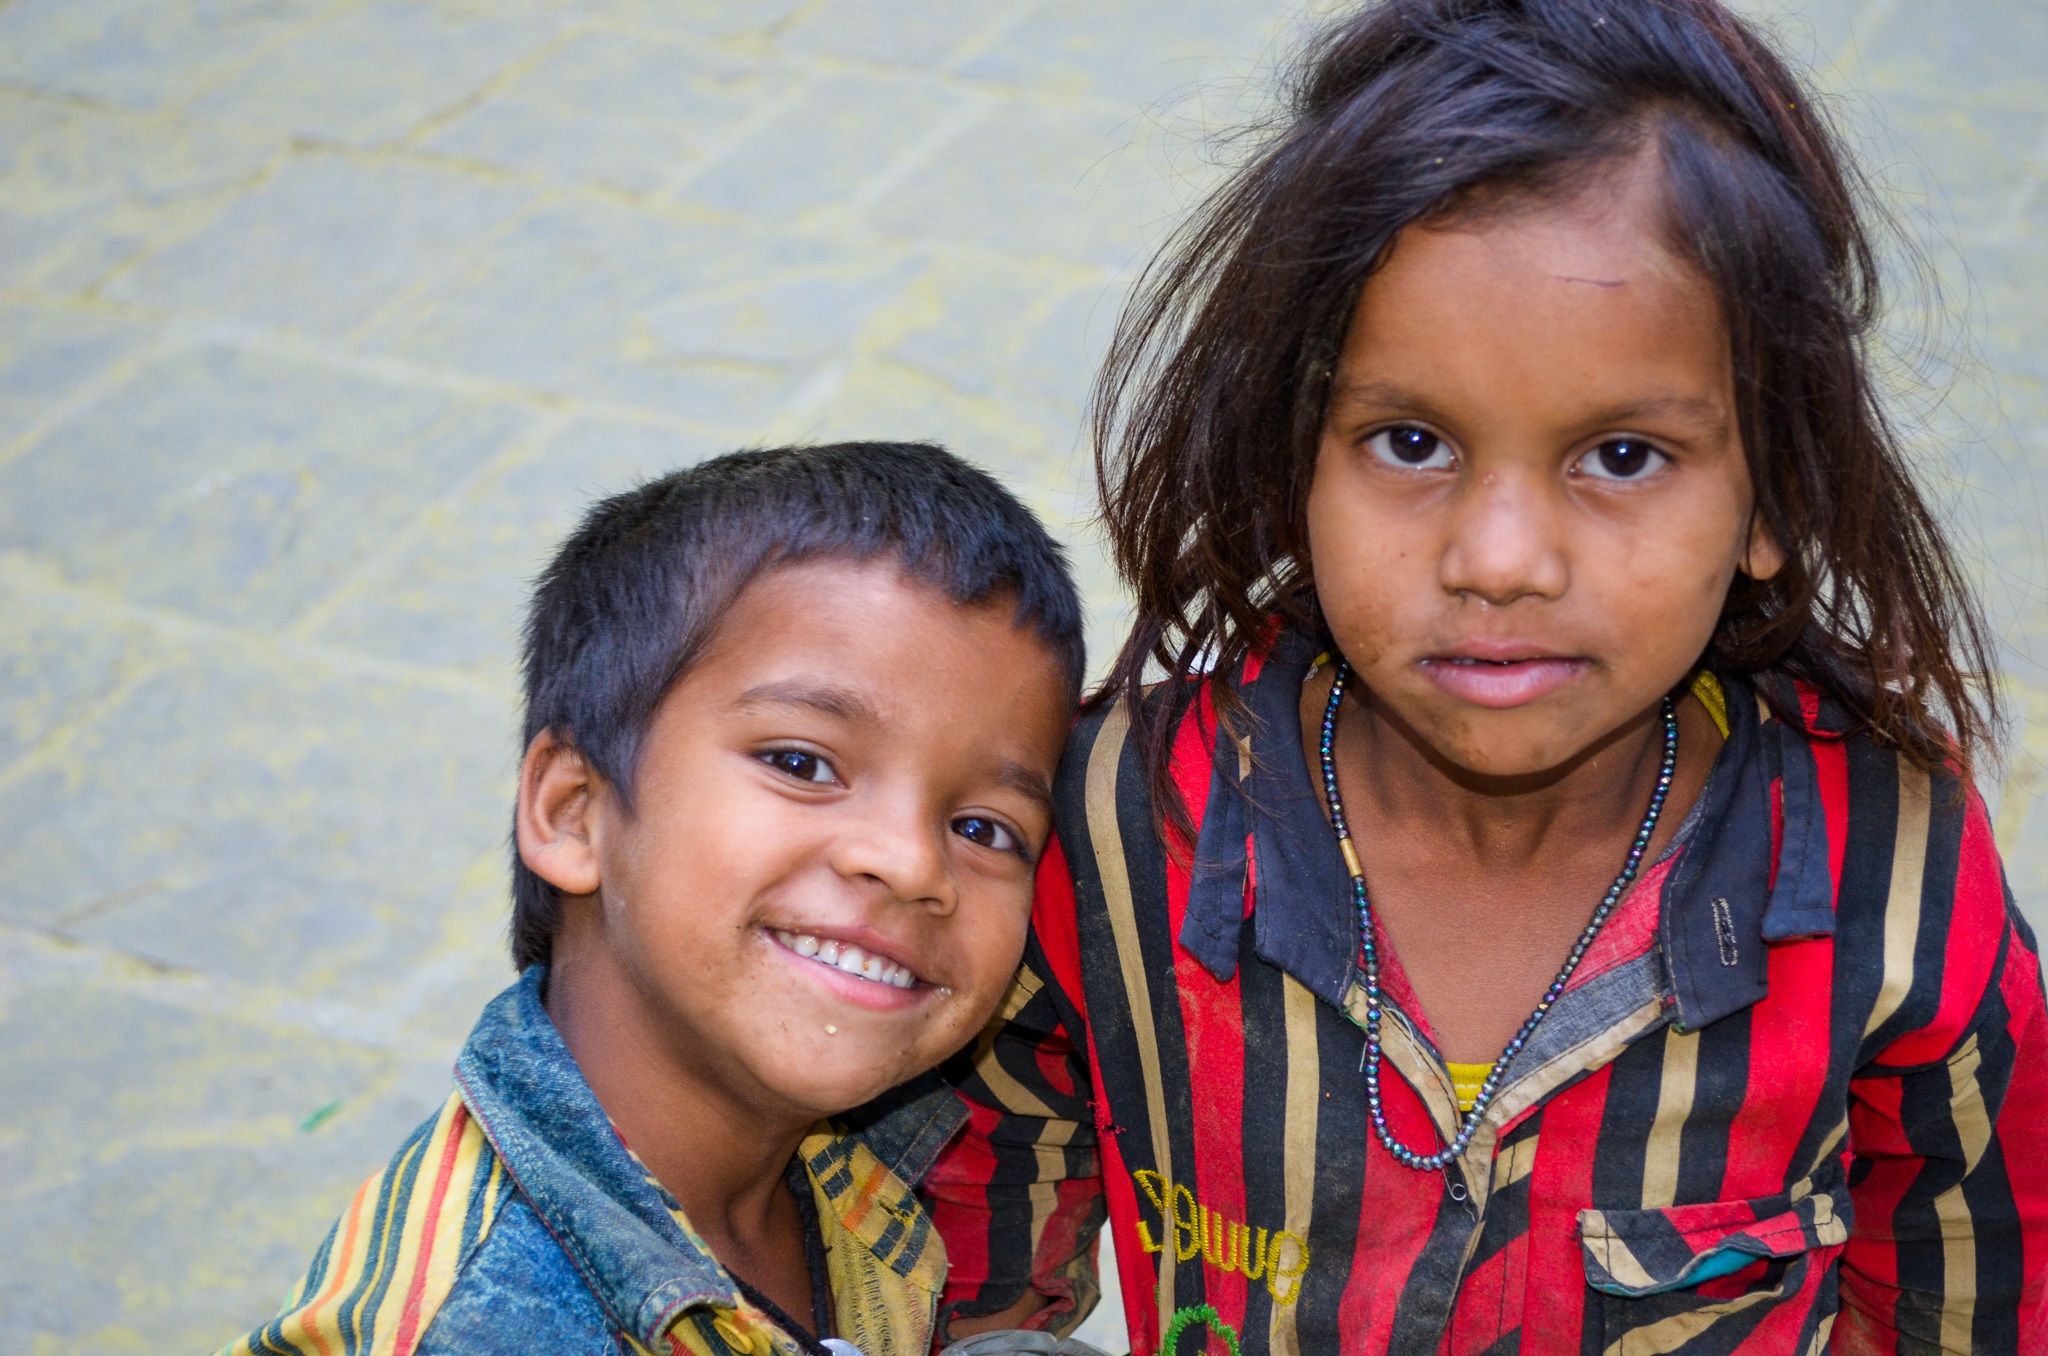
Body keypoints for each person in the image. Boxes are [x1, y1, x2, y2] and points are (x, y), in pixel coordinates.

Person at [927, 2, 2048, 1352]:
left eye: (1622, 457)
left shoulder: (1897, 877)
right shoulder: (1114, 828)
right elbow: (967, 1256)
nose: (1500, 560)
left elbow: (1972, 1294)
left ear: (1773, 497)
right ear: (1294, 464)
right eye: (1409, 441)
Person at [218, 443, 1083, 1356]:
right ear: (574, 812)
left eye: (984, 828)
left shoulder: (841, 1160)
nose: (910, 863)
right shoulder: (472, 1329)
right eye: (802, 763)